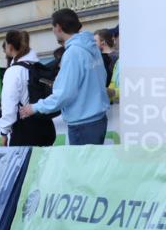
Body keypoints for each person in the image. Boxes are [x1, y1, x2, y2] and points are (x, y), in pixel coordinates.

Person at [19, 8, 110, 145]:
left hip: (82, 123)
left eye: (53, 27)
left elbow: (64, 94)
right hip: (98, 119)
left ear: (59, 28)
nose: (53, 31)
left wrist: (35, 107)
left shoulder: (73, 53)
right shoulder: (92, 47)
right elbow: (102, 76)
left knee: (81, 167)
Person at [0, 30, 56, 147]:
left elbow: (9, 105)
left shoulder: (13, 71)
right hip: (46, 125)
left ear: (10, 47)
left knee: (24, 164)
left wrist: (4, 133)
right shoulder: (36, 66)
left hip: (25, 129)